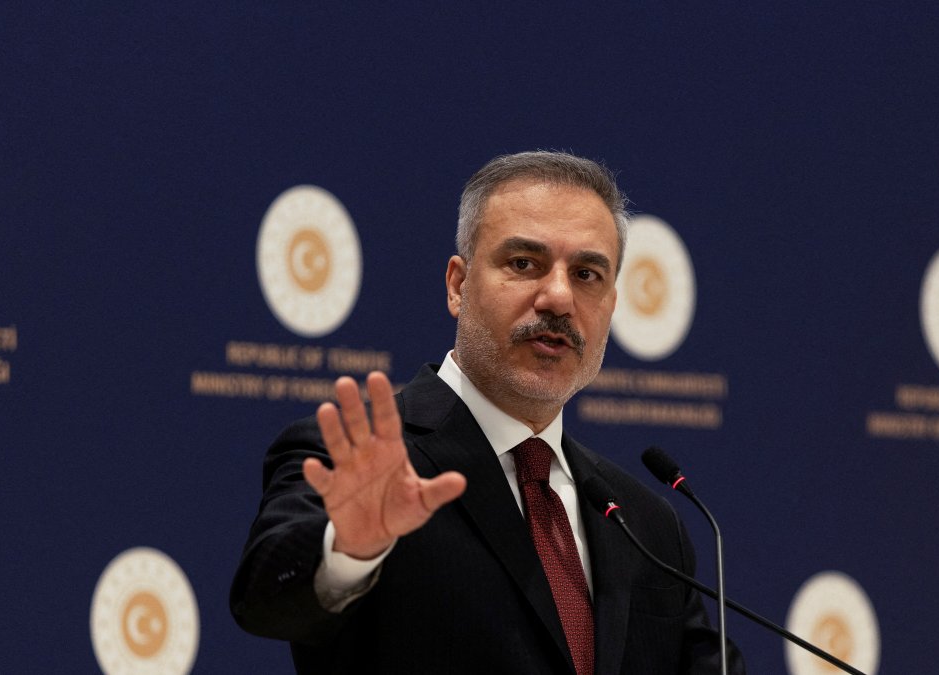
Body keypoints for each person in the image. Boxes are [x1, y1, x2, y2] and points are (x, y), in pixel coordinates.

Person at [231, 151, 745, 674]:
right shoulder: (364, 460)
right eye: (524, 264)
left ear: (611, 305)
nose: (559, 297)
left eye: (587, 274)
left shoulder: (647, 524)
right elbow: (265, 602)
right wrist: (349, 549)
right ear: (458, 285)